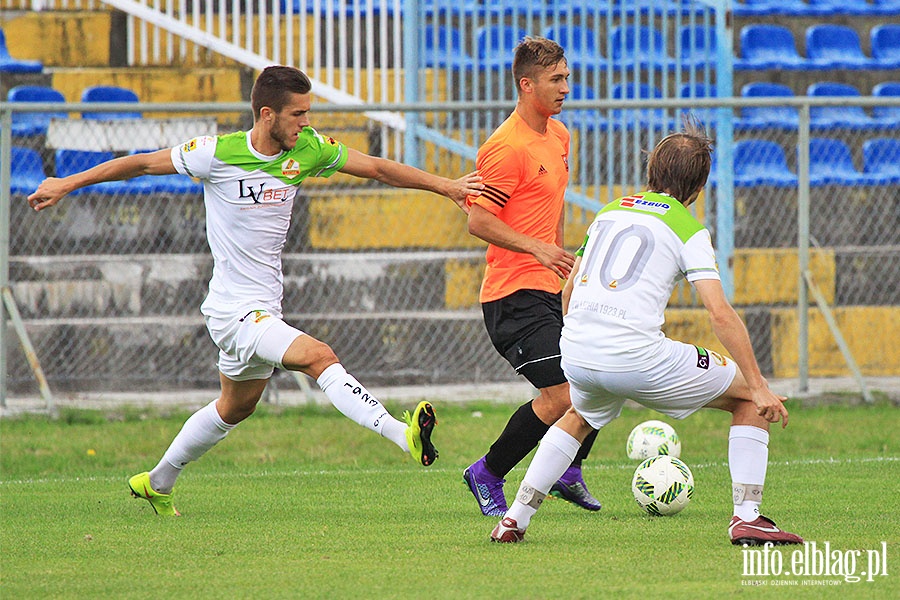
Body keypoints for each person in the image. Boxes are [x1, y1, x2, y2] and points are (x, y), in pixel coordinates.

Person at [27, 65, 484, 516]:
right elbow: (142, 163)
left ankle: (156, 482)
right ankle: (400, 433)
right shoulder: (216, 153)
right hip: (232, 311)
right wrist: (67, 183)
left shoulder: (308, 149)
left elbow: (379, 169)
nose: (306, 122)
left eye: (308, 113)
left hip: (264, 309)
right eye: (298, 114)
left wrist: (446, 186)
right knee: (319, 356)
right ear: (268, 114)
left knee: (234, 408)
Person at [490, 122, 804, 546]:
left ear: (652, 170)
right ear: (698, 185)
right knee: (749, 396)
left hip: (578, 350)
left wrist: (581, 341)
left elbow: (568, 290)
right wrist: (761, 384)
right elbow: (719, 313)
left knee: (578, 416)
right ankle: (747, 517)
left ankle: (515, 518)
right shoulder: (688, 228)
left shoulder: (610, 210)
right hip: (635, 356)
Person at [462, 36, 601, 518]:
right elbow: (479, 221)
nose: (566, 86)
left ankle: (567, 470)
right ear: (527, 84)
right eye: (556, 79)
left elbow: (553, 205)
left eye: (566, 76)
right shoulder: (504, 148)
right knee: (565, 392)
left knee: (595, 376)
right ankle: (487, 472)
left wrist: (564, 263)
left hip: (548, 286)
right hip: (511, 295)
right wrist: (537, 248)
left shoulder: (560, 135)